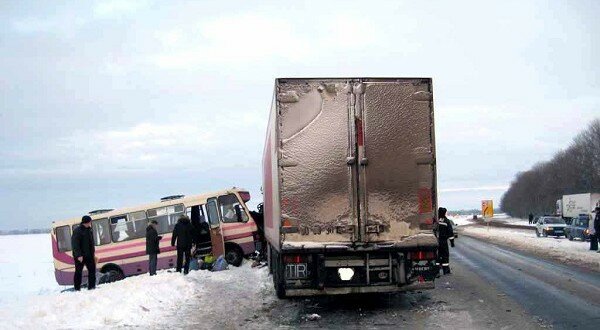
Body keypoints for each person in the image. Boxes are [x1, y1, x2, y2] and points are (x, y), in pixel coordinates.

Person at [71, 215, 96, 290]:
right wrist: (79, 255)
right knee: (78, 272)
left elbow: (91, 242)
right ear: (86, 222)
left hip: (89, 255)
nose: (90, 223)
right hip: (80, 256)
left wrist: (93, 253)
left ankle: (92, 287)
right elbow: (75, 244)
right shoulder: (77, 231)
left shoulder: (89, 230)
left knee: (92, 270)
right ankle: (77, 288)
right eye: (89, 222)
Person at [436, 207, 455, 275]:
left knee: (437, 256)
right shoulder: (446, 221)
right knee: (445, 255)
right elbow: (450, 233)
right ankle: (446, 270)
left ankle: (436, 271)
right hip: (443, 242)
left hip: (435, 241)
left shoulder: (435, 220)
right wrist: (452, 242)